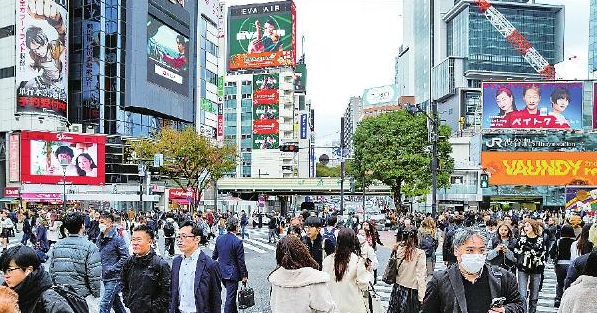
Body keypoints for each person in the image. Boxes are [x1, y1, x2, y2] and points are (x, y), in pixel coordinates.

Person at [421, 228, 523, 313]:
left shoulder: (504, 277)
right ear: (456, 251)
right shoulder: (440, 280)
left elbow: (520, 305)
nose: (477, 255)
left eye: (482, 250)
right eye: (470, 250)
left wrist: (505, 310)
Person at [48, 212, 101, 309]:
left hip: (63, 297)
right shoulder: (90, 247)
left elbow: (52, 272)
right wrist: (96, 294)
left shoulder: (57, 246)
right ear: (82, 226)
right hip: (83, 296)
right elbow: (94, 276)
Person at [268, 236, 336, 313]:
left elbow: (273, 305)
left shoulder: (276, 278)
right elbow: (328, 308)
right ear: (302, 252)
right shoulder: (313, 278)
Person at [1, 245, 74, 313]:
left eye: (9, 270)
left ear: (28, 270)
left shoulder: (51, 300)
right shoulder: (5, 294)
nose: (5, 275)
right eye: (3, 271)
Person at [170, 221, 222, 313]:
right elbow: (173, 292)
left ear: (197, 239)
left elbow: (215, 300)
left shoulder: (210, 264)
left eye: (184, 236)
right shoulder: (176, 262)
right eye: (178, 236)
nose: (179, 240)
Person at [121, 225, 170, 313]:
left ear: (150, 241)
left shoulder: (160, 264)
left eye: (139, 240)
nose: (135, 243)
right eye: (133, 239)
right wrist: (128, 301)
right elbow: (124, 285)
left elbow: (167, 292)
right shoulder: (128, 262)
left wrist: (152, 307)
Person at [322, 228, 371, 313]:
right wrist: (367, 271)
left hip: (332, 306)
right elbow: (364, 284)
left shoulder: (327, 260)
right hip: (352, 306)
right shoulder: (357, 260)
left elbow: (324, 282)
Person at [23, 0, 67, 90]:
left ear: (46, 42)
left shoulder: (54, 48)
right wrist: (33, 66)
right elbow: (37, 64)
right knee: (26, 87)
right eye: (34, 49)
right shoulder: (33, 54)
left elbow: (63, 36)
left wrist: (55, 20)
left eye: (39, 47)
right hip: (44, 81)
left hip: (60, 81)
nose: (37, 52)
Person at [212, 218, 248, 313]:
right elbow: (241, 261)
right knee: (230, 298)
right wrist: (244, 275)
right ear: (235, 227)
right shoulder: (237, 241)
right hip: (232, 274)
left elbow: (214, 256)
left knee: (230, 295)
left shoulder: (219, 238)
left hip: (221, 272)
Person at [387, 228, 426, 313]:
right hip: (411, 290)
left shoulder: (397, 249)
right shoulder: (419, 253)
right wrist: (422, 296)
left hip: (397, 288)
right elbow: (421, 276)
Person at [97, 211, 129, 313]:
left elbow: (125, 257)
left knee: (104, 305)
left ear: (110, 223)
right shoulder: (100, 237)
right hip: (105, 276)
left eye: (103, 222)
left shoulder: (117, 238)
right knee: (116, 304)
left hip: (115, 278)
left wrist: (113, 268)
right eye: (100, 222)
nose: (100, 225)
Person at [514, 219, 545, 313]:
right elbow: (516, 251)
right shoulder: (521, 239)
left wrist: (531, 251)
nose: (525, 228)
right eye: (525, 226)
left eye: (528, 225)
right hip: (522, 267)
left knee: (534, 294)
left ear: (533, 227)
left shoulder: (540, 239)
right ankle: (523, 311)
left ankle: (532, 311)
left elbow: (542, 253)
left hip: (536, 268)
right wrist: (523, 252)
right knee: (522, 294)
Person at [549, 225, 575, 307]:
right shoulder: (574, 243)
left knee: (560, 282)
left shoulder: (558, 241)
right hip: (570, 264)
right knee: (569, 282)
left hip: (559, 264)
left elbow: (552, 253)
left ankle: (558, 298)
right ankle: (567, 299)